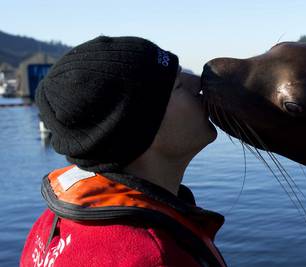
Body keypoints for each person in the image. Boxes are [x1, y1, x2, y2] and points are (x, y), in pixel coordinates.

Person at [20, 36, 227, 267]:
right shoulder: (153, 257)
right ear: (142, 127)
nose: (198, 83)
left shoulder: (51, 223)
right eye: (177, 85)